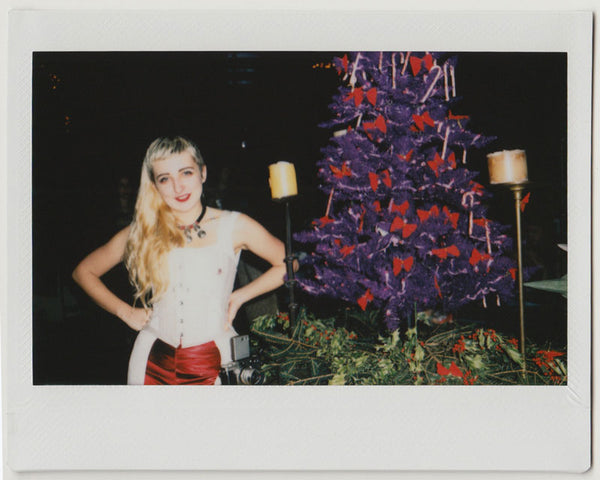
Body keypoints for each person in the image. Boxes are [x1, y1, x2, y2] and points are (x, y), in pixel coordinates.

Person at [72, 136, 286, 385]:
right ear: (155, 186)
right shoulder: (142, 230)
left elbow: (288, 263)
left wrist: (241, 295)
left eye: (186, 173)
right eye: (165, 178)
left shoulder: (234, 225)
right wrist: (126, 312)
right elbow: (84, 272)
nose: (178, 187)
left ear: (202, 173)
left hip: (217, 359)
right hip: (151, 359)